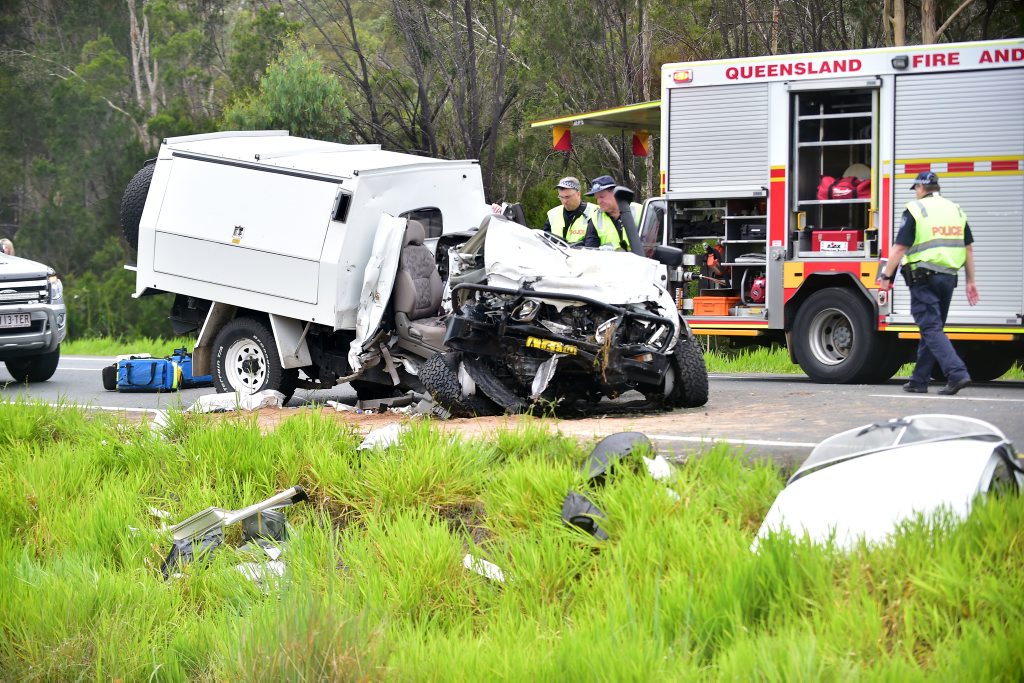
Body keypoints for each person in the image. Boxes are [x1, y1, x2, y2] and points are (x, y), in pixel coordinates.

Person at [877, 171, 978, 395]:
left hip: (924, 278)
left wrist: (885, 278)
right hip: (948, 278)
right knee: (932, 329)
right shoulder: (955, 209)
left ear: (920, 189)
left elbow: (900, 248)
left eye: (915, 189)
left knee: (930, 328)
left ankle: (957, 373)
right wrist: (971, 281)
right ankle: (919, 380)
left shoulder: (916, 209)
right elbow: (968, 248)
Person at [581, 175, 642, 250]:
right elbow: (591, 250)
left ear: (615, 193)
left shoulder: (639, 210)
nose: (599, 201)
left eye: (602, 197)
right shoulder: (596, 218)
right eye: (597, 198)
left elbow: (652, 243)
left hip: (639, 260)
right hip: (608, 261)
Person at [541, 177, 594, 244]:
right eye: (561, 197)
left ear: (578, 194)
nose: (564, 201)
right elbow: (545, 239)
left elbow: (595, 241)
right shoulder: (553, 213)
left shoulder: (594, 212)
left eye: (568, 197)